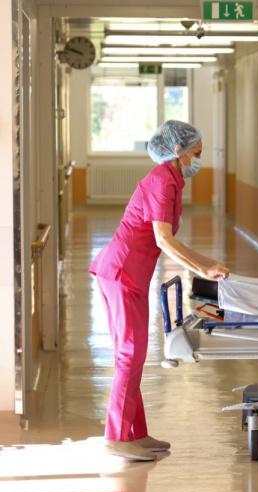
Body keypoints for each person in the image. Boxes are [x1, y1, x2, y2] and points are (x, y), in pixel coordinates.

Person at [89, 120, 230, 461]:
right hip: (122, 273)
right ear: (178, 151)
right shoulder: (162, 181)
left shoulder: (172, 180)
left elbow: (166, 239)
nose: (200, 159)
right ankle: (117, 437)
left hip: (132, 275)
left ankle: (135, 433)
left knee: (134, 354)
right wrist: (203, 268)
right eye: (197, 152)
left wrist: (206, 263)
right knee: (129, 353)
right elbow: (163, 239)